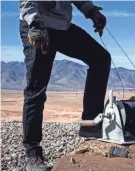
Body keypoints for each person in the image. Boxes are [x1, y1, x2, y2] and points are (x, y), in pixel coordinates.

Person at [19, 1, 110, 170]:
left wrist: (92, 12)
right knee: (36, 88)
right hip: (37, 24)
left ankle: (90, 126)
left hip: (62, 27)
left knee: (101, 59)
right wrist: (34, 22)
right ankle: (32, 155)